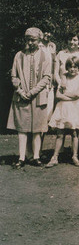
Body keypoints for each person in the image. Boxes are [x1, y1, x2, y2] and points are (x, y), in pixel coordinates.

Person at [7, 27, 52, 168]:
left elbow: (46, 77)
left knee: (37, 129)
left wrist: (32, 92)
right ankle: (21, 157)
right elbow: (13, 76)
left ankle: (36, 157)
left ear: (39, 40)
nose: (30, 43)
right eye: (28, 40)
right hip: (21, 97)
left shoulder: (45, 55)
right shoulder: (19, 55)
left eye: (33, 40)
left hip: (38, 97)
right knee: (22, 128)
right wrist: (20, 91)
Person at [46, 56, 79, 167]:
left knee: (75, 133)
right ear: (67, 67)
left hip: (75, 109)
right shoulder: (63, 79)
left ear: (78, 68)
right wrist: (70, 96)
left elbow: (78, 94)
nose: (72, 69)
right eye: (70, 66)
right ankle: (55, 157)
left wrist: (66, 94)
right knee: (60, 133)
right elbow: (58, 95)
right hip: (63, 108)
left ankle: (75, 156)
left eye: (75, 67)